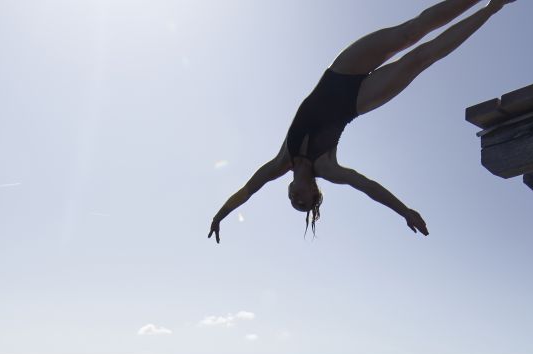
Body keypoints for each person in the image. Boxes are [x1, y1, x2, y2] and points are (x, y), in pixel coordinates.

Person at [209, 0, 516, 242]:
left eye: (292, 201)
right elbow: (369, 187)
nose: (296, 199)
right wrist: (404, 211)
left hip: (340, 71)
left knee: (410, 31)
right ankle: (494, 6)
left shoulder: (280, 162)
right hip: (357, 100)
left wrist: (221, 215)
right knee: (420, 59)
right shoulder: (328, 169)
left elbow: (248, 190)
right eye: (303, 204)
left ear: (289, 189)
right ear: (315, 194)